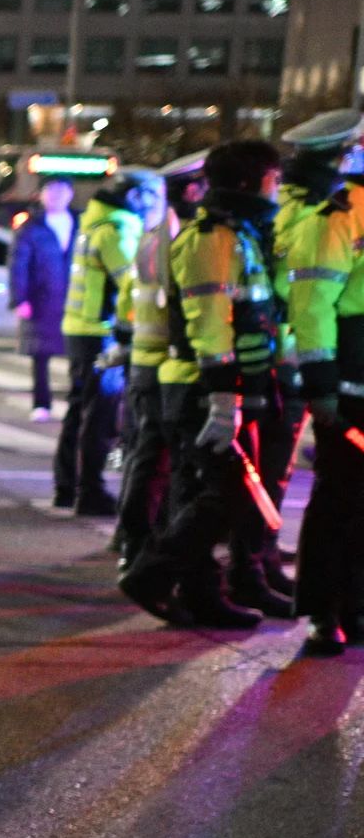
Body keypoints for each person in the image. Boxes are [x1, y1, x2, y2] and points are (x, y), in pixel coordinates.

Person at [118, 140, 288, 628]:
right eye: (271, 180)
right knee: (227, 494)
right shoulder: (209, 238)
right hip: (201, 387)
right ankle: (151, 574)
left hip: (223, 385)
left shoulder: (237, 235)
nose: (276, 189)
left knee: (201, 493)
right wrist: (222, 398)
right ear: (247, 184)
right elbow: (209, 323)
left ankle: (200, 594)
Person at [277, 111, 364, 654]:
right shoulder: (340, 215)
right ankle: (323, 610)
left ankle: (356, 604)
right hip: (353, 373)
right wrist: (323, 384)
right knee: (340, 496)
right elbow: (311, 306)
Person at [54, 171, 161, 516]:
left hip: (80, 329)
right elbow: (132, 284)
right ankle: (91, 491)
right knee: (99, 414)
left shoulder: (95, 223)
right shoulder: (118, 230)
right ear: (135, 197)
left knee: (80, 411)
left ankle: (67, 487)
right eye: (151, 197)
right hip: (100, 332)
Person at [108, 157, 186, 570]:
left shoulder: (150, 238)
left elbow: (127, 300)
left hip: (143, 359)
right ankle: (144, 546)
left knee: (144, 455)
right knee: (160, 461)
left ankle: (130, 540)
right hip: (164, 365)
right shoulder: (177, 239)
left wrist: (124, 339)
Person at [8, 177, 74, 423]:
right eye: (50, 191)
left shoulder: (80, 224)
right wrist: (19, 299)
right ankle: (41, 402)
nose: (56, 196)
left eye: (61, 191)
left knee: (78, 354)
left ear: (69, 194)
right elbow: (18, 264)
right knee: (40, 354)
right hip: (42, 299)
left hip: (75, 299)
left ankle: (75, 401)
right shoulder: (32, 227)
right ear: (42, 195)